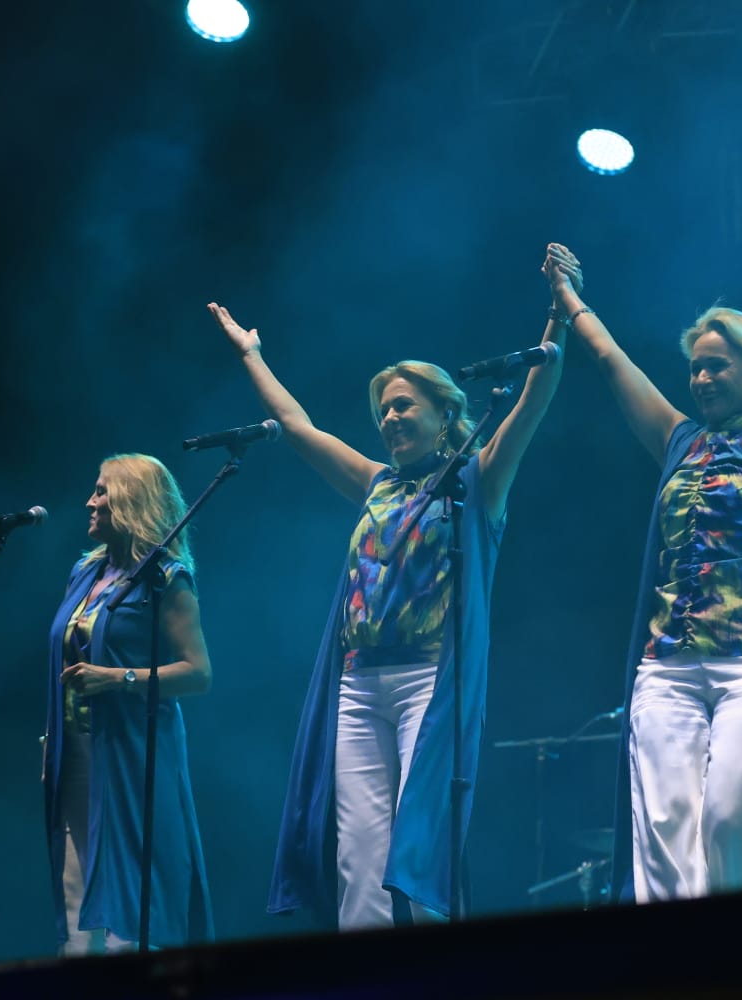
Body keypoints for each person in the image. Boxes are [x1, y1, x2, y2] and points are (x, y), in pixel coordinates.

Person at [551, 150, 742, 901]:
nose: (700, 378)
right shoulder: (678, 440)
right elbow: (610, 360)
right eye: (694, 367)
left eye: (717, 365)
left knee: (731, 822)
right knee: (665, 844)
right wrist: (568, 300)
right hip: (667, 667)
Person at [208, 287, 564, 929]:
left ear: (446, 412)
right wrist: (251, 355)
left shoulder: (477, 480)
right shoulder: (376, 483)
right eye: (383, 410)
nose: (390, 418)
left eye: (403, 405)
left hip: (428, 679)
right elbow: (299, 428)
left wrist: (556, 320)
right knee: (359, 858)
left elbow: (533, 401)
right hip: (358, 684)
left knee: (421, 848)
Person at [44, 454, 214, 953]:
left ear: (131, 500)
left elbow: (198, 673)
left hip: (134, 752)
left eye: (101, 491)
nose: (89, 502)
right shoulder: (85, 571)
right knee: (76, 892)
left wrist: (120, 678)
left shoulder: (166, 578)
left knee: (134, 895)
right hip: (75, 751)